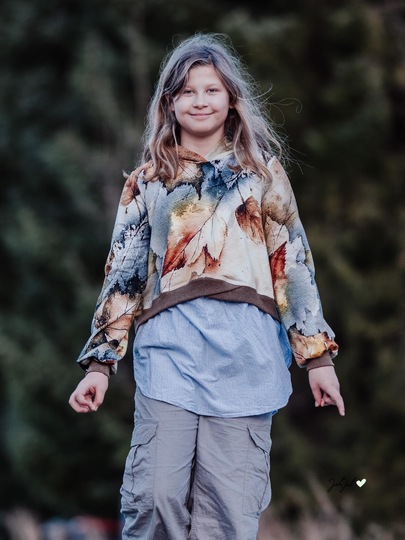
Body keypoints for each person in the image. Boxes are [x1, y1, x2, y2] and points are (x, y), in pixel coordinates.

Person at [69, 33, 345, 540]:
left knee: (225, 517)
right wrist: (100, 365)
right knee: (155, 498)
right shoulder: (148, 181)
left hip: (246, 359)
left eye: (212, 89)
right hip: (169, 356)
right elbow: (124, 275)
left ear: (231, 100)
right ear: (169, 103)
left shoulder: (261, 175)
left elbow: (293, 264)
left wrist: (317, 360)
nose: (200, 100)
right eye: (187, 91)